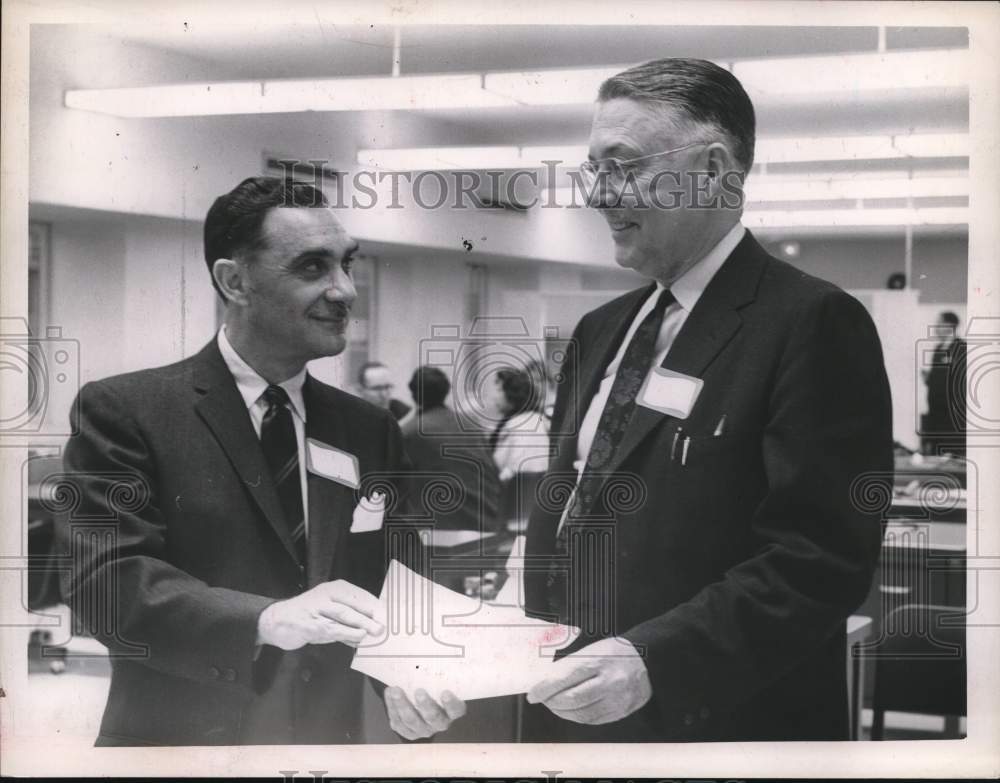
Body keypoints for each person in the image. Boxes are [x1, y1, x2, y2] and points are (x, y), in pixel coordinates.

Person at [521, 58, 893, 743]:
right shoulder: (599, 331)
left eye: (622, 165)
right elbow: (571, 497)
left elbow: (819, 559)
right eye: (592, 167)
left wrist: (651, 658)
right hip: (572, 703)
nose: (599, 194)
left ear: (715, 169)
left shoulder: (811, 322)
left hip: (714, 717)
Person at [55, 177, 464, 745]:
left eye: (347, 265)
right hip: (183, 747)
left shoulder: (367, 428)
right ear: (234, 281)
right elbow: (105, 581)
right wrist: (266, 620)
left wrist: (409, 672)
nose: (344, 291)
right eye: (312, 268)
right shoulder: (128, 412)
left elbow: (400, 580)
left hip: (321, 746)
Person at [400, 366, 501, 531]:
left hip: (445, 530)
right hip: (487, 522)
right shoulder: (471, 426)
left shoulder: (411, 432)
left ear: (414, 395)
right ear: (446, 391)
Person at [488, 366, 551, 482]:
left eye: (499, 390)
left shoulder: (523, 425)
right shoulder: (532, 420)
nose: (494, 397)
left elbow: (516, 472)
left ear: (513, 393)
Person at [921, 310, 967, 456]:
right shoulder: (938, 349)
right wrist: (929, 379)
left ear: (949, 326)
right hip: (936, 411)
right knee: (936, 452)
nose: (936, 328)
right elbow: (938, 379)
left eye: (939, 324)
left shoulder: (962, 348)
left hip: (953, 413)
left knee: (953, 454)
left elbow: (961, 380)